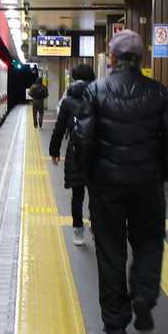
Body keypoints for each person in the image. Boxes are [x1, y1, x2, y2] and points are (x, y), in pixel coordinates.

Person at [77, 30, 168, 334]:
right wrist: (163, 172)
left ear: (112, 58)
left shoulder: (95, 91)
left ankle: (115, 320)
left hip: (106, 185)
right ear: (140, 58)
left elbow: (84, 139)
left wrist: (89, 176)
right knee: (149, 241)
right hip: (147, 184)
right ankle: (144, 296)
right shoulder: (159, 93)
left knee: (110, 249)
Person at [49, 64, 95, 247]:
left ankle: (78, 231)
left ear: (74, 79)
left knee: (77, 194)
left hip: (75, 151)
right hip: (98, 152)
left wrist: (54, 151)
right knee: (96, 193)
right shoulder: (101, 95)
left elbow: (59, 128)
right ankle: (96, 224)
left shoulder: (68, 101)